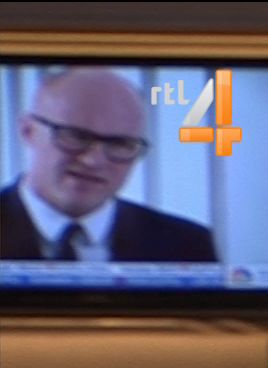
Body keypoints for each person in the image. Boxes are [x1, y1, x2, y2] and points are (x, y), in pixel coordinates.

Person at [0, 67, 217, 263]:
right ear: (28, 131)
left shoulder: (188, 244)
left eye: (119, 144)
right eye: (76, 136)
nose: (93, 161)